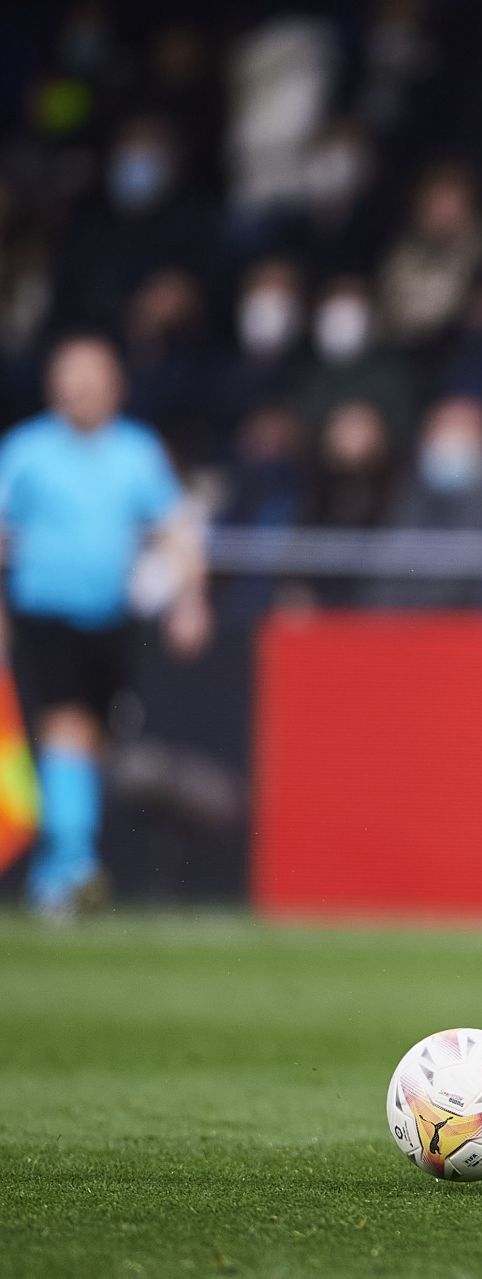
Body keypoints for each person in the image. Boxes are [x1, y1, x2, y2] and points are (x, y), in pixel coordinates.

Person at [0, 336, 209, 917]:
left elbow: (176, 526)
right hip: (45, 611)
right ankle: (73, 865)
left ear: (114, 385)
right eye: (72, 376)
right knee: (65, 726)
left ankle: (59, 866)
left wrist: (190, 599)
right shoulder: (26, 452)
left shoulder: (137, 453)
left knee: (91, 739)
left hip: (111, 618)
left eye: (93, 376)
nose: (82, 388)